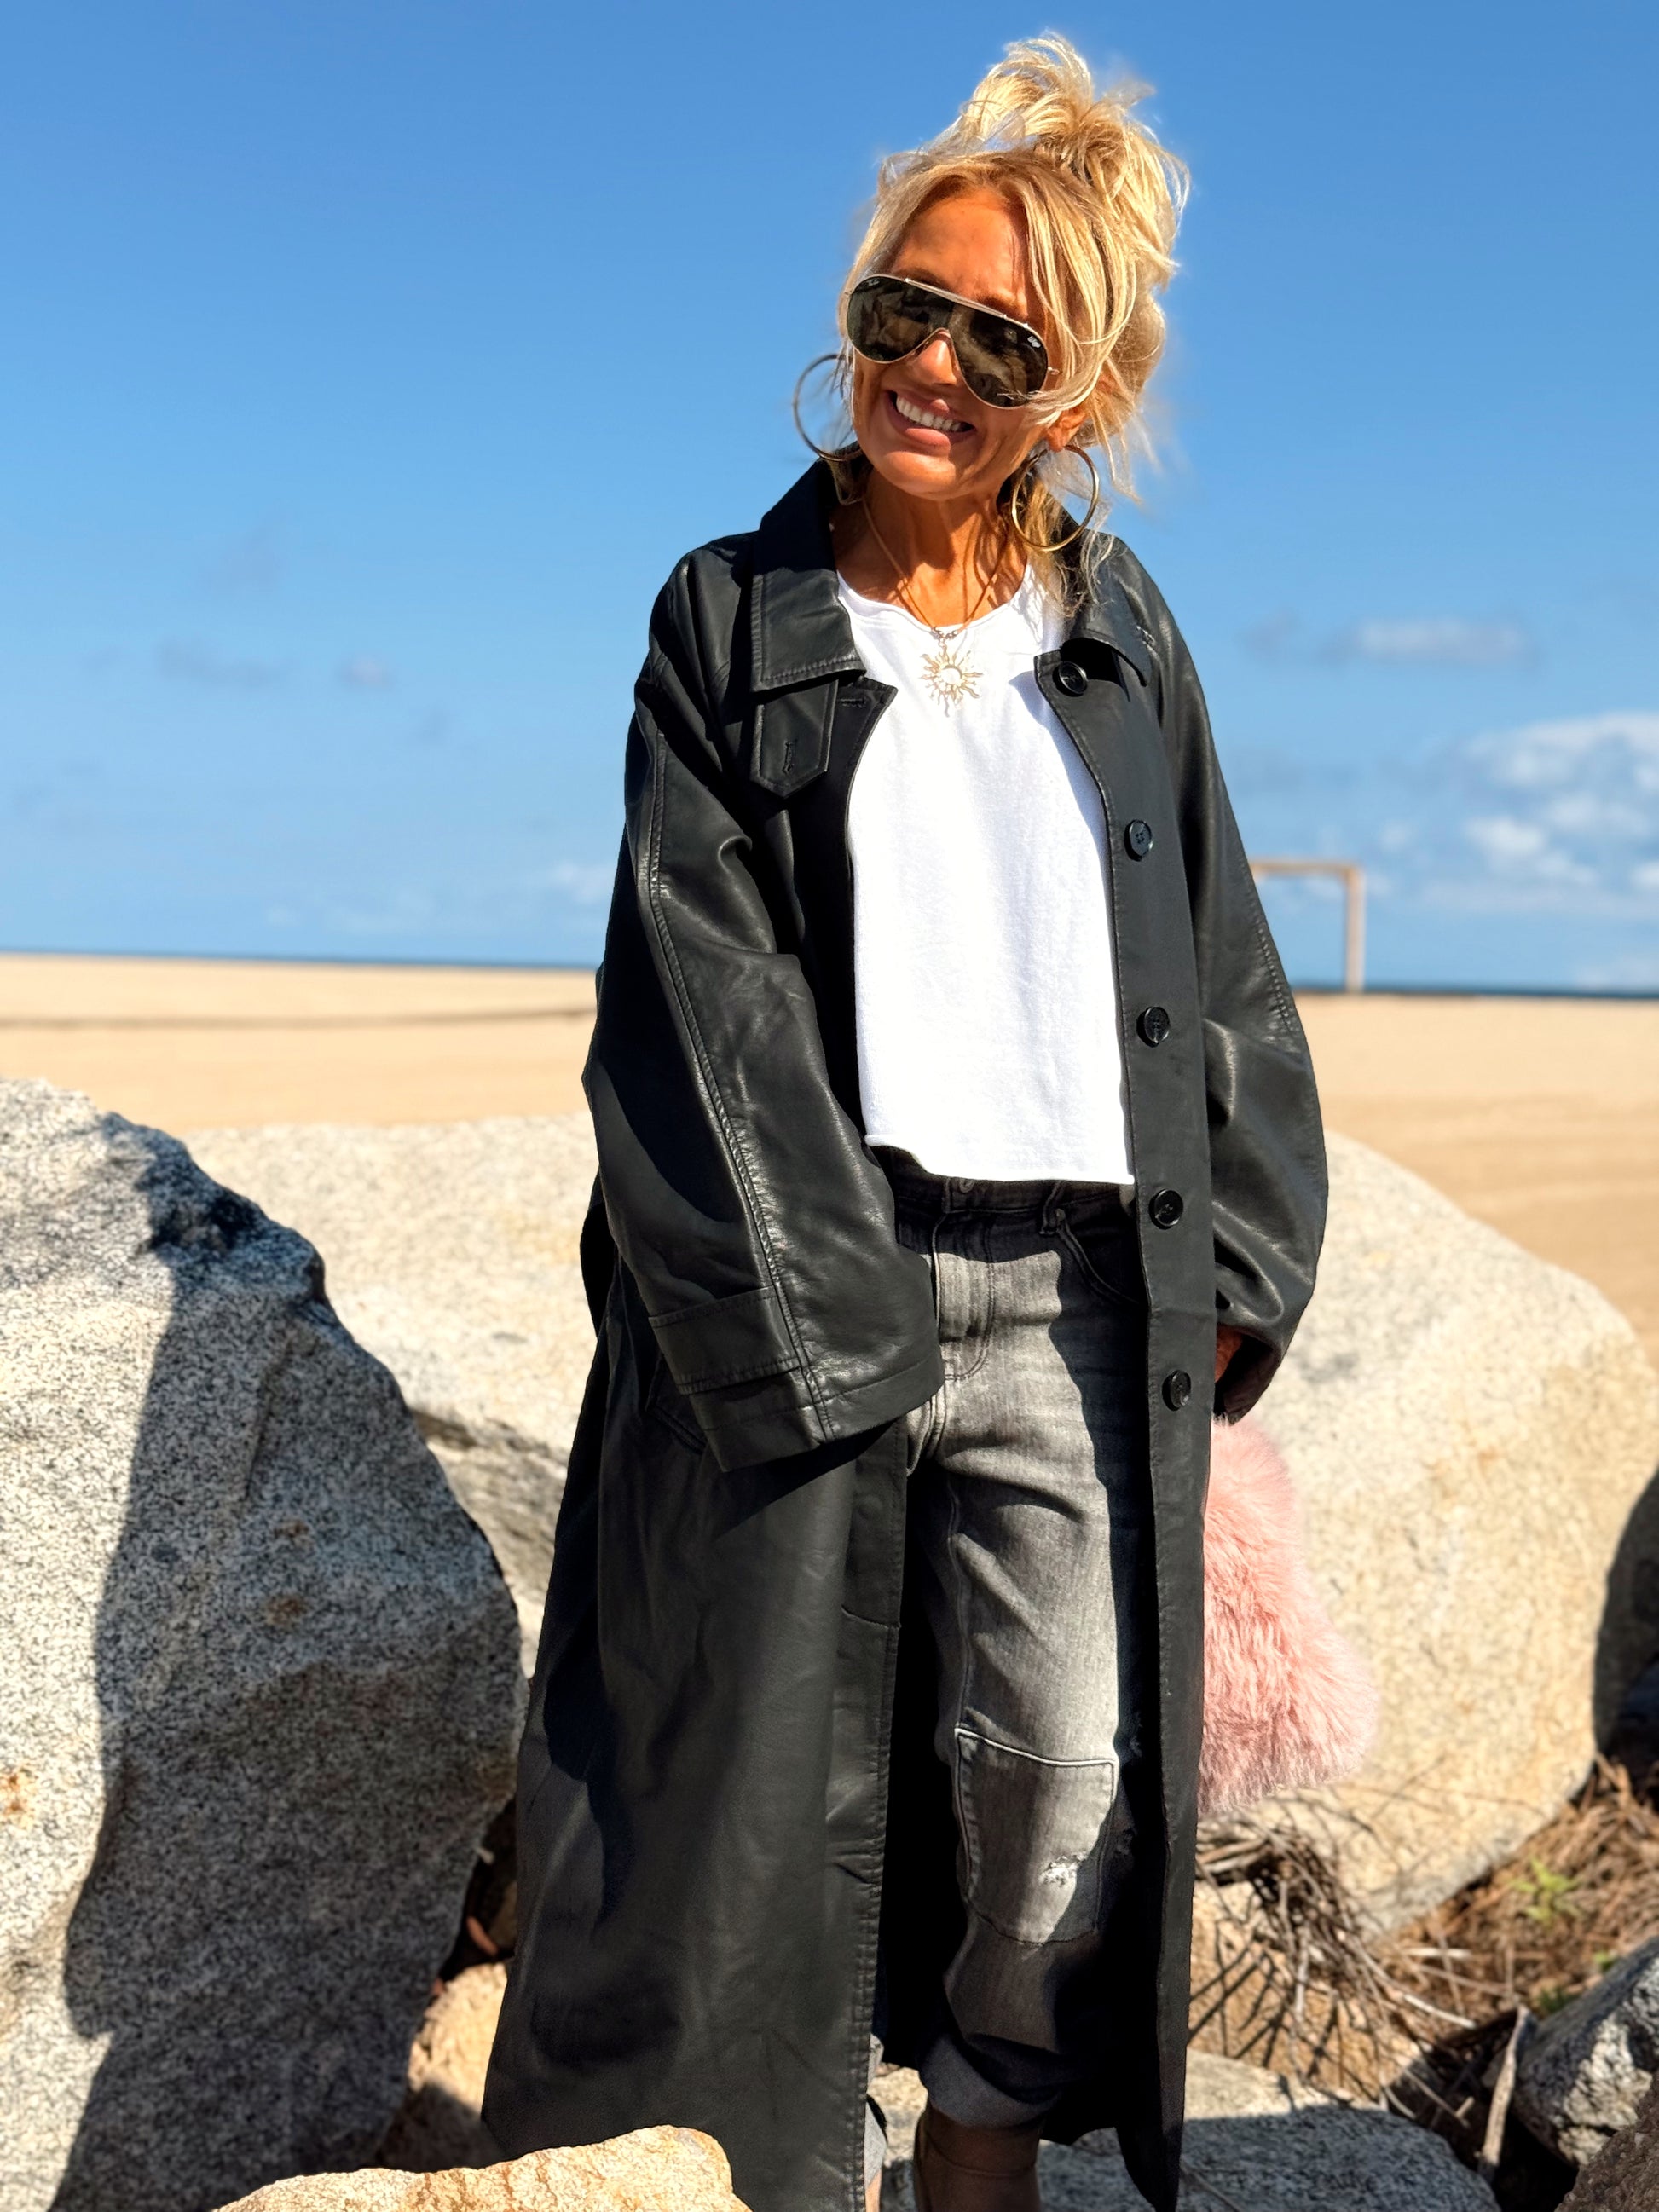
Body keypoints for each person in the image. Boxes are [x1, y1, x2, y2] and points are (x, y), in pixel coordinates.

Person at [483, 38, 1326, 2212]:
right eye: (898, 307)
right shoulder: (727, 616)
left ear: (1082, 392)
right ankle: (734, 2173)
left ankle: (977, 2131)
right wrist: (815, 1325)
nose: (929, 363)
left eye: (997, 340)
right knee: (739, 1805)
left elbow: (1223, 962)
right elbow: (697, 998)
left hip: (1075, 1298)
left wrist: (1236, 1267)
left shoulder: (1121, 634)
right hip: (803, 1297)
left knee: (1070, 1782)